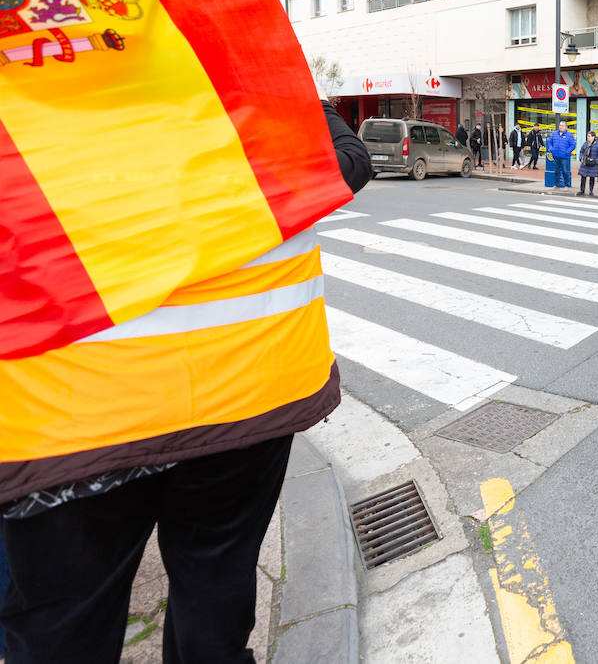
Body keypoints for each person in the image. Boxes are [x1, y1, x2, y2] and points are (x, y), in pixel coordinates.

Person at [0, 98, 371, 663]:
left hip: (72, 409)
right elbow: (345, 163)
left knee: (64, 619)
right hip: (241, 387)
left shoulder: (29, 67)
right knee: (212, 584)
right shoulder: (239, 75)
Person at [546, 119, 576, 189]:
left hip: (564, 157)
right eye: (560, 125)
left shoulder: (569, 135)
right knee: (556, 171)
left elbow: (573, 145)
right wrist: (551, 148)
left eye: (562, 126)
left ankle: (566, 185)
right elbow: (550, 142)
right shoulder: (554, 133)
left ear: (566, 127)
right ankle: (556, 185)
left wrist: (567, 152)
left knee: (565, 171)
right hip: (555, 155)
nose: (560, 127)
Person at [578, 128, 598, 197]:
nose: (588, 137)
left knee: (592, 178)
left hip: (593, 163)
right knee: (583, 177)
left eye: (589, 136)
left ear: (593, 137)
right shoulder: (585, 143)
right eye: (587, 136)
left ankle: (591, 191)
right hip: (585, 163)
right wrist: (581, 158)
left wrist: (596, 161)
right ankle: (582, 190)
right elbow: (581, 151)